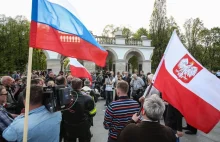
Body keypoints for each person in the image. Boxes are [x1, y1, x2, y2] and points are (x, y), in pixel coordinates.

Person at [62, 78, 96, 142]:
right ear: (81, 86)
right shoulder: (88, 98)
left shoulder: (65, 97)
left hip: (69, 126)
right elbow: (93, 113)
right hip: (83, 126)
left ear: (71, 85)